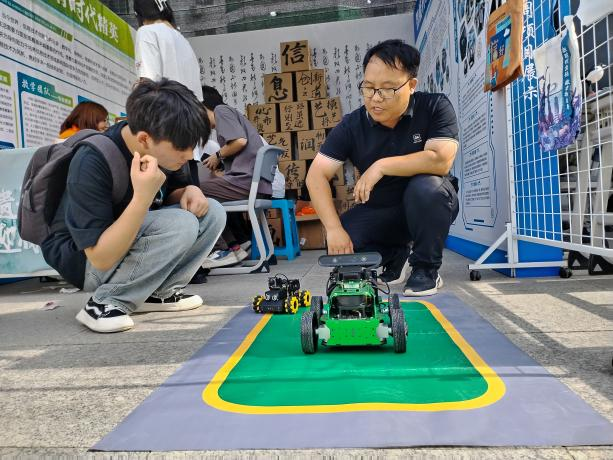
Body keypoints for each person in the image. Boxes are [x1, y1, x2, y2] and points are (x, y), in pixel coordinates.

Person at [41, 78, 226, 333]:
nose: (188, 155)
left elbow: (171, 193)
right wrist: (142, 198)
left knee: (212, 212)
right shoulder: (92, 161)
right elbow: (100, 257)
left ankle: (158, 294)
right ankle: (104, 304)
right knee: (180, 223)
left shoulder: (165, 146)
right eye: (182, 147)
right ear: (144, 139)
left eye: (192, 145)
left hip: (126, 241)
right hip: (84, 260)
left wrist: (189, 190)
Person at [305, 39, 459, 297]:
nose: (375, 98)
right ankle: (396, 256)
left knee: (427, 188)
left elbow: (440, 160)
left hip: (428, 204)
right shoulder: (352, 125)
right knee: (345, 243)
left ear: (411, 85)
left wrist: (381, 166)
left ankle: (425, 268)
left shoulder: (434, 106)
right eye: (369, 88)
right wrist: (333, 229)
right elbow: (316, 176)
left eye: (387, 89)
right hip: (383, 209)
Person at [199, 85, 272, 268]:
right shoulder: (231, 113)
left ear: (202, 107)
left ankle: (223, 250)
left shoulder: (220, 111)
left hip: (247, 182)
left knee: (193, 191)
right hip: (256, 184)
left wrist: (217, 156)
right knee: (210, 195)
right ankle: (235, 246)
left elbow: (240, 141)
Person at [133, 0, 202, 102]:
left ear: (140, 14)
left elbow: (148, 82)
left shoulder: (146, 32)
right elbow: (198, 95)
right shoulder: (183, 40)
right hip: (190, 108)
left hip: (164, 108)